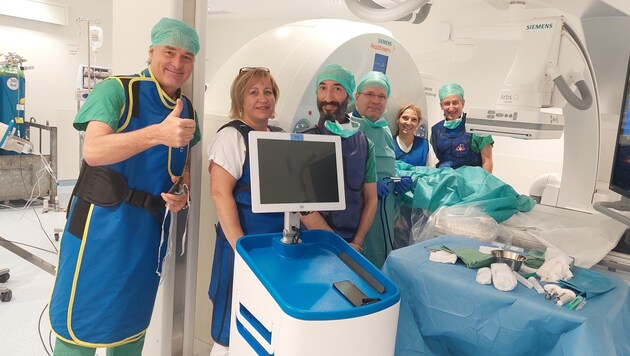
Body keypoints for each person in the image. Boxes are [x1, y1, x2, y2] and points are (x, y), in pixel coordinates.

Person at [48, 17, 200, 355]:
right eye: (170, 51)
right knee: (80, 324)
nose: (177, 63)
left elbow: (182, 165)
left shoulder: (186, 108)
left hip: (146, 232)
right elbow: (94, 150)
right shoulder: (117, 90)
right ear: (151, 52)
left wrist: (183, 192)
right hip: (98, 226)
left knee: (131, 325)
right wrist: (156, 134)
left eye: (187, 57)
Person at [207, 67, 284, 356]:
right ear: (240, 100)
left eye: (268, 92)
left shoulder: (277, 135)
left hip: (274, 247)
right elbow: (220, 193)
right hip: (243, 246)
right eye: (253, 92)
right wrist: (241, 248)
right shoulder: (232, 137)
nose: (263, 98)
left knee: (261, 322)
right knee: (229, 327)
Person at [300, 64, 378, 254]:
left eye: (337, 89)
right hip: (314, 241)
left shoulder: (365, 144)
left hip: (353, 244)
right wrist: (337, 247)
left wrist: (357, 242)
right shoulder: (302, 141)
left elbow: (371, 198)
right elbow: (301, 206)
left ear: (350, 95)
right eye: (322, 88)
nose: (328, 97)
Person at [351, 71, 412, 268]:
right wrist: (367, 182)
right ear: (357, 96)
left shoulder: (385, 129)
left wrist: (396, 180)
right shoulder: (347, 127)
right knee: (364, 258)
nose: (376, 101)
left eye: (381, 96)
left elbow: (388, 164)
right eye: (369, 94)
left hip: (385, 205)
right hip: (360, 207)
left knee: (383, 251)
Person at [430, 82, 494, 172]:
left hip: (471, 184)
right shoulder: (436, 130)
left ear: (463, 103)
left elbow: (487, 161)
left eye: (455, 103)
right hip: (444, 183)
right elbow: (432, 162)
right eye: (447, 104)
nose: (451, 108)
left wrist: (482, 185)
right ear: (441, 106)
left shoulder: (477, 127)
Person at [392, 104, 429, 249]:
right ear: (397, 119)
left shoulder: (425, 146)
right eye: (405, 118)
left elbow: (429, 175)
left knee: (416, 244)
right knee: (395, 243)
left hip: (417, 204)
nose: (408, 123)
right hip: (393, 203)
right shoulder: (388, 143)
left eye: (414, 120)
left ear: (418, 123)